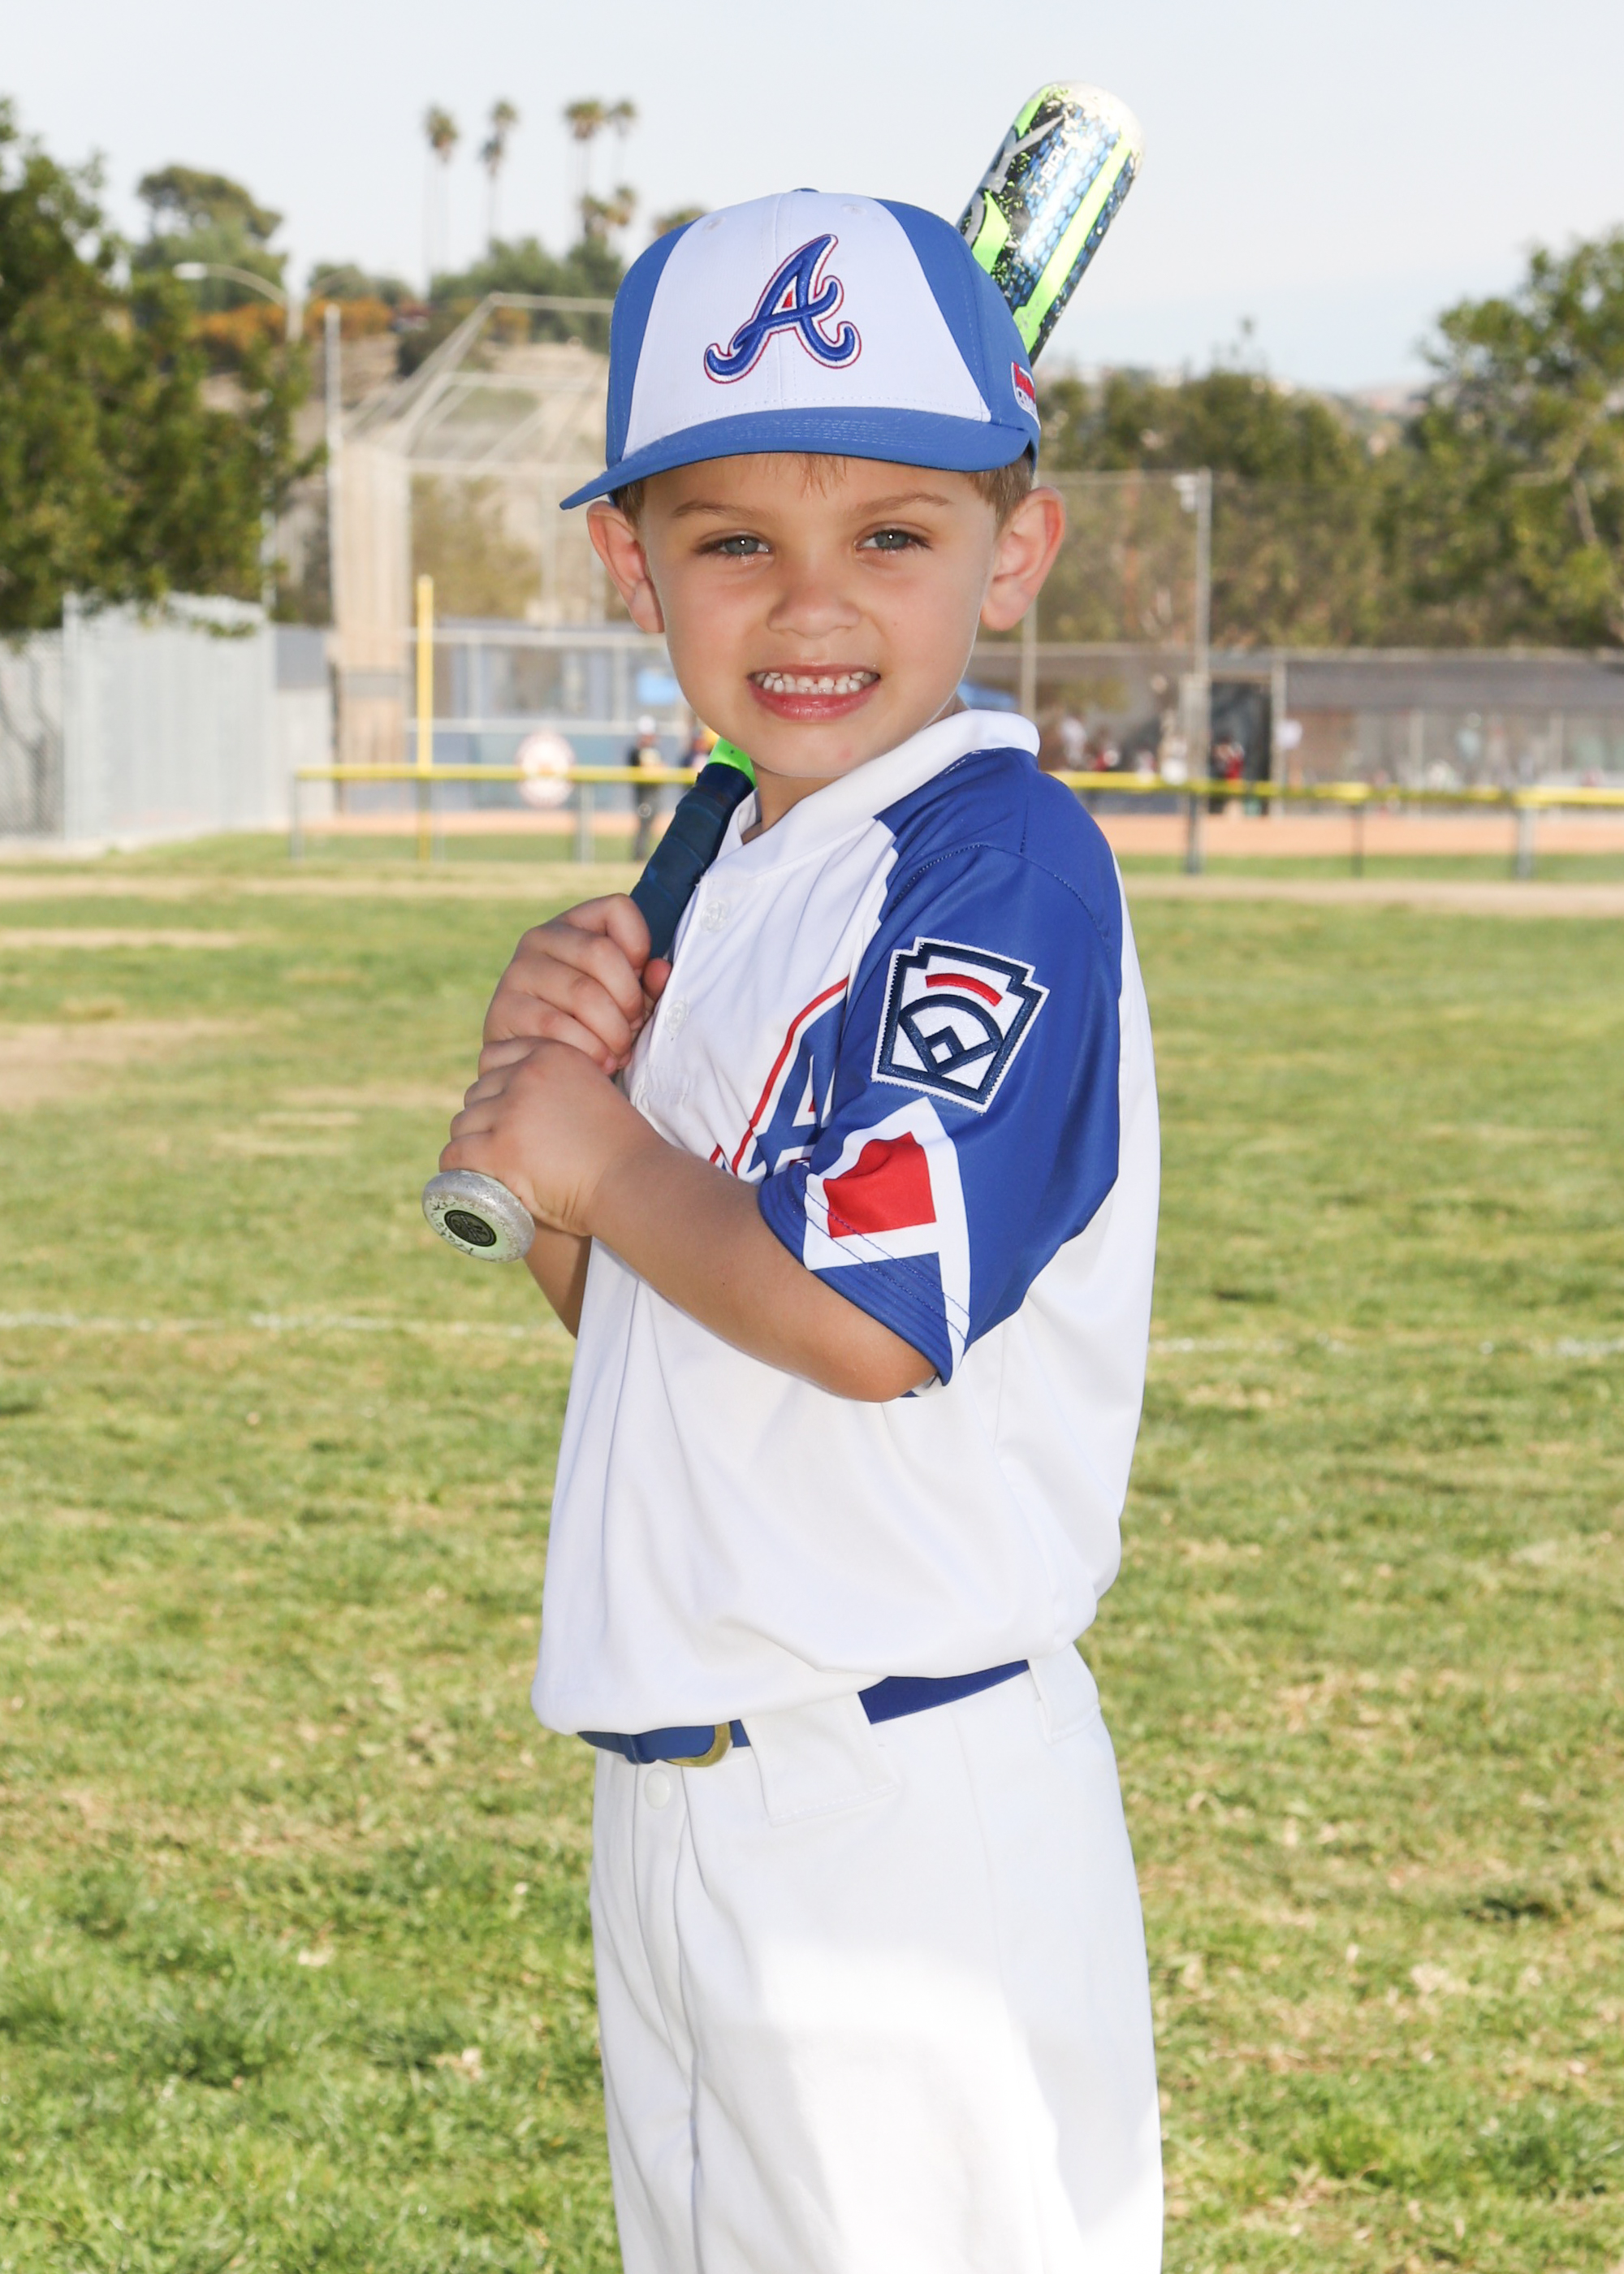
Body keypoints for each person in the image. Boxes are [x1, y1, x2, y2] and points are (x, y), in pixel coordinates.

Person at [440, 189, 1163, 2274]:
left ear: (1011, 553)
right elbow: (665, 1331)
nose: (811, 604)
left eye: (894, 537)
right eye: (734, 541)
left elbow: (865, 1315)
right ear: (629, 564)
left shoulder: (994, 864)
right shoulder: (756, 873)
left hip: (893, 1826)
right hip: (695, 1800)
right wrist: (569, 1140)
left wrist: (604, 1157)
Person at [628, 711, 663, 862]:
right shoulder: (636, 751)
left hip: (654, 792)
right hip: (643, 794)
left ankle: (644, 854)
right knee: (643, 824)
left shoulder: (655, 751)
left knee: (650, 824)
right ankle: (639, 855)